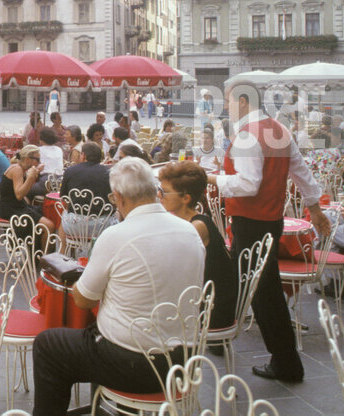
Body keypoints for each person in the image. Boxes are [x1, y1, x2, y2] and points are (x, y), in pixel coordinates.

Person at [31, 157, 205, 416]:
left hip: (134, 364)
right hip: (185, 360)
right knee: (97, 333)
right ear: (154, 191)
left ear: (119, 197)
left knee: (48, 344)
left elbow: (83, 300)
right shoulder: (191, 231)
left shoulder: (116, 235)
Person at [205, 82, 329, 384]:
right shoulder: (279, 130)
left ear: (244, 101)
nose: (227, 108)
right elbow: (301, 172)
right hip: (270, 220)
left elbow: (248, 184)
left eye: (230, 102)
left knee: (263, 292)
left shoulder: (248, 135)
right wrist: (314, 207)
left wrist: (210, 178)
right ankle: (221, 336)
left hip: (252, 220)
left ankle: (286, 362)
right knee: (245, 281)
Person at [157, 160, 237, 331]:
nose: (159, 196)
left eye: (164, 192)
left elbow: (170, 267)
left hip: (212, 310)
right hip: (202, 298)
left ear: (185, 198)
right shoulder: (189, 220)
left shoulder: (196, 227)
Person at [0, 145, 56, 239]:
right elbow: (19, 195)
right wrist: (31, 177)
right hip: (11, 210)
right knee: (49, 226)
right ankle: (42, 253)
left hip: (16, 207)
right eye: (37, 160)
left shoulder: (21, 169)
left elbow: (25, 192)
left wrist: (35, 173)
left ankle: (36, 251)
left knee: (46, 213)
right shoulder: (17, 169)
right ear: (28, 159)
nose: (39, 162)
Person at [58, 142, 114, 238]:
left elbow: (64, 198)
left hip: (74, 226)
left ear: (83, 156)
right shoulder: (108, 172)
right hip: (103, 226)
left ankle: (62, 250)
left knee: (65, 213)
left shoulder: (70, 171)